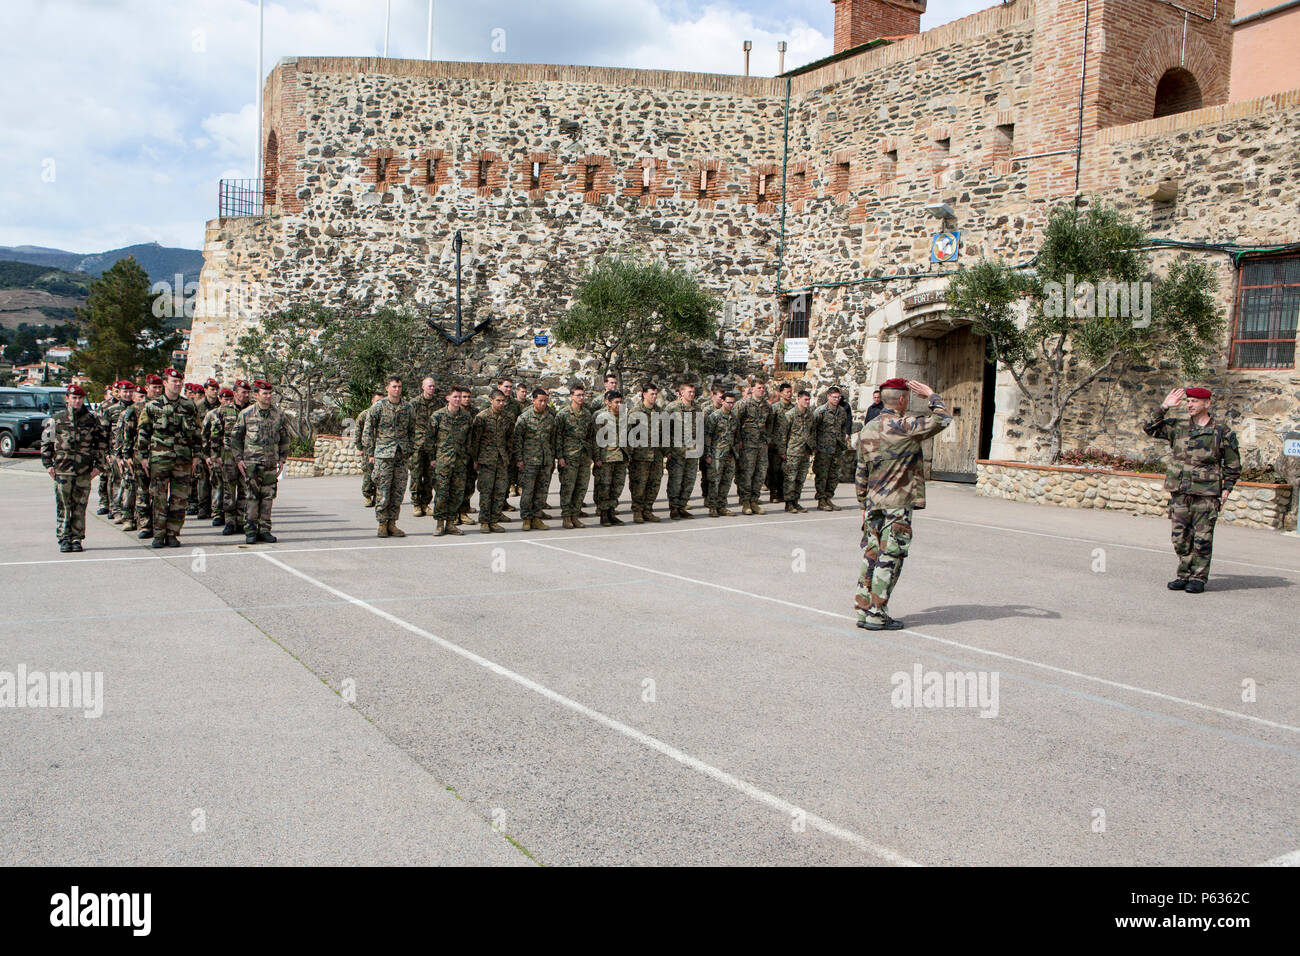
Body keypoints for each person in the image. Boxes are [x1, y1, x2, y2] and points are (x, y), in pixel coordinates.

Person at [854, 378, 952, 630]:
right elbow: (942, 419)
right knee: (891, 558)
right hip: (897, 504)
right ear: (902, 400)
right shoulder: (905, 425)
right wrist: (931, 394)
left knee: (872, 557)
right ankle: (877, 612)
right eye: (906, 398)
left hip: (874, 503)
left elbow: (861, 472)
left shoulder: (867, 429)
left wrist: (863, 505)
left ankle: (864, 610)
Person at [1143, 386, 1241, 593]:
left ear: (1207, 404)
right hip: (1180, 490)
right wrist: (1164, 407)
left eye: (1195, 401)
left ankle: (1198, 577)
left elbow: (1232, 464)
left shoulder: (1221, 431)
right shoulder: (1178, 427)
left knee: (1202, 538)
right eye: (1188, 401)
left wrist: (1227, 490)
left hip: (1206, 492)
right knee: (1180, 537)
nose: (1190, 404)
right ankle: (1184, 574)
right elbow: (1149, 428)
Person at [135, 367, 201, 549]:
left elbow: (196, 432)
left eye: (180, 382)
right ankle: (158, 534)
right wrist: (142, 457)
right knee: (159, 498)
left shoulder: (188, 406)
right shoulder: (152, 406)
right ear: (165, 383)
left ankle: (172, 534)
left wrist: (197, 455)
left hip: (182, 460)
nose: (178, 384)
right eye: (174, 381)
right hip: (159, 460)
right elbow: (143, 432)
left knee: (179, 499)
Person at [41, 384, 107, 552]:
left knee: (80, 506)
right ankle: (63, 538)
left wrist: (99, 466)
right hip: (63, 469)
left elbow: (100, 444)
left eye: (80, 398)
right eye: (74, 398)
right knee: (63, 505)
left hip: (84, 470)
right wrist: (48, 465)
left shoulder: (91, 420)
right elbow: (46, 443)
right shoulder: (55, 419)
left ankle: (77, 539)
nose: (77, 401)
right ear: (67, 399)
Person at [230, 379, 291, 543]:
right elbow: (235, 438)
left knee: (268, 498)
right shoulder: (246, 414)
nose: (268, 396)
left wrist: (282, 459)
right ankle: (250, 530)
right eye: (265, 393)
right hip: (252, 464)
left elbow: (285, 438)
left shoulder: (278, 414)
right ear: (256, 395)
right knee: (251, 498)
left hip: (270, 463)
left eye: (270, 393)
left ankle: (264, 529)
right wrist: (238, 459)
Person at [364, 376, 416, 538]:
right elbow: (368, 431)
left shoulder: (408, 407)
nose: (397, 390)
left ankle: (392, 523)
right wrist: (370, 453)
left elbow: (412, 430)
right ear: (387, 388)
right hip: (383, 455)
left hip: (401, 455)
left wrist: (410, 449)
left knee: (398, 491)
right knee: (383, 490)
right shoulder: (379, 407)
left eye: (399, 387)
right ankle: (381, 523)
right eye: (394, 386)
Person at [428, 385, 474, 536]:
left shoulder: (466, 416)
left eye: (460, 397)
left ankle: (451, 523)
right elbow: (429, 439)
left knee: (457, 494)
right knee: (442, 493)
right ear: (448, 398)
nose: (458, 399)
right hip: (443, 461)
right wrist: (432, 458)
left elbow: (469, 439)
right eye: (455, 396)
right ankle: (440, 524)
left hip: (460, 462)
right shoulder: (438, 416)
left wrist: (467, 456)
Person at [513, 387, 558, 530]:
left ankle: (537, 517)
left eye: (545, 401)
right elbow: (517, 440)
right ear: (533, 401)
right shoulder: (524, 418)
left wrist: (551, 459)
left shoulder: (550, 418)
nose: (543, 404)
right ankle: (526, 518)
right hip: (529, 461)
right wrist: (519, 459)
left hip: (545, 461)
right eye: (540, 401)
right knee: (528, 491)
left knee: (541, 491)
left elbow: (553, 440)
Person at [470, 388, 513, 533]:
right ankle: (484, 521)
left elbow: (510, 439)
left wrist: (509, 456)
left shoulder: (507, 417)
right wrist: (475, 459)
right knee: (486, 491)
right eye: (498, 401)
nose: (501, 403)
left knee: (500, 491)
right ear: (491, 400)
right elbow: (476, 440)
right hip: (486, 460)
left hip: (502, 459)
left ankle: (494, 520)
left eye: (503, 401)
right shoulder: (482, 417)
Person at [555, 384, 596, 528]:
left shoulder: (587, 414)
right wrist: (560, 456)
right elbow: (558, 436)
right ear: (571, 396)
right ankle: (566, 516)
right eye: (578, 395)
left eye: (582, 395)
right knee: (568, 487)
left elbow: (591, 436)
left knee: (581, 486)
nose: (581, 398)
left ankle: (575, 514)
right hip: (569, 456)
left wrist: (591, 454)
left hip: (583, 456)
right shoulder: (563, 414)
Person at [733, 377, 774, 515]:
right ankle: (745, 502)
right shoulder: (743, 404)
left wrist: (767, 438)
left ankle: (754, 501)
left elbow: (770, 424)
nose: (761, 390)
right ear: (752, 389)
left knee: (760, 474)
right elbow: (735, 423)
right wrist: (738, 440)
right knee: (747, 474)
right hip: (747, 446)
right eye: (759, 388)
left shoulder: (767, 406)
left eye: (763, 388)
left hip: (761, 445)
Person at [626, 383, 665, 523]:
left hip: (656, 455)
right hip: (640, 456)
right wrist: (629, 456)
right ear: (644, 394)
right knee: (639, 484)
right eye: (651, 394)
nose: (654, 397)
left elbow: (664, 434)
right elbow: (628, 434)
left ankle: (648, 510)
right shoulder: (635, 412)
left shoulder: (660, 412)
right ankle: (637, 511)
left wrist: (666, 452)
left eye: (655, 394)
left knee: (654, 483)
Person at [664, 381, 702, 519]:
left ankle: (682, 506)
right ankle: (674, 508)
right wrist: (667, 450)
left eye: (693, 392)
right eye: (689, 392)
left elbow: (699, 430)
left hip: (692, 451)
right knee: (676, 481)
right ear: (681, 393)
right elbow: (664, 429)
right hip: (677, 452)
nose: (692, 394)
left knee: (689, 480)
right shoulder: (672, 408)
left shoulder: (697, 409)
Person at [811, 386, 851, 510]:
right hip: (823, 449)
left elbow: (844, 426)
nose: (836, 399)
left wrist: (843, 439)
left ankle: (828, 498)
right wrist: (814, 446)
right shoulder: (820, 411)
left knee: (834, 475)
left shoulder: (842, 411)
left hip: (836, 448)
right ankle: (821, 500)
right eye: (834, 397)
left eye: (838, 397)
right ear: (828, 397)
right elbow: (813, 429)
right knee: (822, 475)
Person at [593, 390, 628, 526]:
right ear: (608, 403)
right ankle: (603, 514)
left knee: (617, 487)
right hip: (606, 458)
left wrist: (628, 455)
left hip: (620, 458)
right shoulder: (601, 417)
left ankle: (612, 512)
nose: (619, 405)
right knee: (604, 488)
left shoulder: (624, 417)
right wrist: (597, 458)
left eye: (620, 402)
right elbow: (595, 439)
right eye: (616, 402)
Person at [778, 389, 814, 512]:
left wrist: (812, 446)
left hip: (804, 451)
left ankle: (796, 501)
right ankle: (788, 503)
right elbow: (782, 434)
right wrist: (782, 451)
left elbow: (812, 432)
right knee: (790, 478)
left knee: (800, 479)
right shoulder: (790, 415)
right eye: (805, 399)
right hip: (792, 451)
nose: (807, 402)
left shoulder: (810, 415)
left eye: (809, 399)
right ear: (798, 399)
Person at [202, 387, 234, 526]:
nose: (227, 402)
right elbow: (204, 435)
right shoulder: (212, 414)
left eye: (230, 399)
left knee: (229, 486)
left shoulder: (235, 414)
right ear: (220, 399)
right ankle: (216, 512)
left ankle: (228, 512)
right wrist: (207, 455)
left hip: (230, 455)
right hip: (216, 454)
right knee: (217, 484)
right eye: (225, 399)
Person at [410, 376, 441, 517]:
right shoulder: (414, 403)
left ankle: (426, 503)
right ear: (422, 387)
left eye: (433, 386)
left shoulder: (438, 404)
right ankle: (416, 503)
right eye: (429, 386)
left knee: (430, 476)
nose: (432, 388)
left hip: (432, 446)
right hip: (417, 445)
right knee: (416, 475)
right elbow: (408, 424)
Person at [704, 392, 739, 517]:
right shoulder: (714, 417)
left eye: (732, 403)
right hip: (716, 454)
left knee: (727, 481)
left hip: (730, 454)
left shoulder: (734, 417)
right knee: (714, 481)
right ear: (722, 401)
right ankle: (712, 507)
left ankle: (722, 506)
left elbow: (736, 435)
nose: (730, 405)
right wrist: (707, 454)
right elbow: (707, 436)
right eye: (728, 402)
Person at [354, 389, 384, 507]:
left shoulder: (384, 414)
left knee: (380, 474)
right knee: (368, 474)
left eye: (381, 401)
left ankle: (378, 496)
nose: (378, 404)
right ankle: (367, 495)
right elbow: (358, 432)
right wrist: (360, 447)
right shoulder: (364, 415)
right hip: (368, 448)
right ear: (372, 401)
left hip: (381, 448)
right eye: (377, 401)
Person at [767, 382, 795, 504]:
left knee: (786, 470)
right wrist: (770, 441)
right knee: (774, 470)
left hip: (789, 444)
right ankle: (773, 493)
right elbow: (770, 426)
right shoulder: (775, 408)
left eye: (790, 392)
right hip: (775, 444)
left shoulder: (794, 408)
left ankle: (783, 493)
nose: (789, 394)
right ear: (780, 393)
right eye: (787, 392)